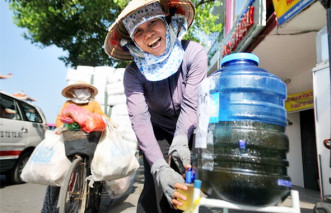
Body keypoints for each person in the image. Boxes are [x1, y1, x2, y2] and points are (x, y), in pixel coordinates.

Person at [104, 0, 208, 212]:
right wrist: (160, 167)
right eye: (138, 31)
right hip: (158, 131)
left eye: (153, 22)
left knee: (194, 183)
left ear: (168, 22)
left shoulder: (194, 53)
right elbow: (140, 119)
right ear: (133, 41)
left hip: (193, 126)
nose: (148, 33)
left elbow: (191, 104)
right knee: (156, 188)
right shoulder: (132, 74)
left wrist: (181, 140)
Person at [41, 80, 109, 213]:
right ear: (73, 91)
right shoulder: (68, 103)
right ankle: (48, 209)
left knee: (94, 173)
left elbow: (102, 117)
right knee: (57, 173)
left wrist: (107, 123)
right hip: (70, 140)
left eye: (84, 88)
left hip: (89, 141)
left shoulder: (93, 104)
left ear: (89, 91)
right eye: (78, 88)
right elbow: (60, 119)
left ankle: (89, 206)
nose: (81, 90)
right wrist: (63, 126)